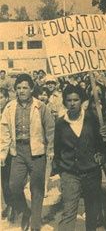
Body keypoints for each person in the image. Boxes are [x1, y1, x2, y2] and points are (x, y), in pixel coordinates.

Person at [52, 84, 106, 231]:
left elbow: (103, 145)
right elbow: (57, 150)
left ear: (81, 101)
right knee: (69, 212)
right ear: (64, 102)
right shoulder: (60, 123)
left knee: (92, 213)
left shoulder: (92, 118)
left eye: (76, 100)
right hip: (70, 173)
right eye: (69, 100)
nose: (72, 103)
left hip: (91, 173)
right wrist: (63, 172)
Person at [0, 73, 55, 231]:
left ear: (31, 89)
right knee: (13, 186)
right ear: (15, 90)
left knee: (37, 189)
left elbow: (50, 128)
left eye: (25, 87)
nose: (22, 91)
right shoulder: (10, 107)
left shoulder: (40, 106)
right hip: (18, 152)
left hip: (37, 151)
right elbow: (4, 132)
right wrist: (3, 153)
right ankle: (25, 211)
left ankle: (35, 224)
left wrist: (50, 149)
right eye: (18, 88)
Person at [0, 88, 16, 222]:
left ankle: (12, 205)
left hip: (9, 151)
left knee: (9, 181)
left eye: (1, 98)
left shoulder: (11, 111)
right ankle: (7, 204)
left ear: (6, 98)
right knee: (3, 182)